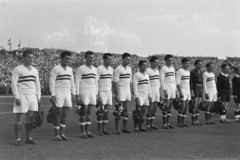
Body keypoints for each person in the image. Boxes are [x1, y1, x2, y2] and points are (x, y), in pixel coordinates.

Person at [11, 50, 41, 146]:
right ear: (23, 58)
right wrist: (17, 97)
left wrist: (38, 96)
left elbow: (37, 84)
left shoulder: (35, 70)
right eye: (28, 57)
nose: (31, 59)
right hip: (22, 95)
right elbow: (14, 84)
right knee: (19, 118)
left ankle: (29, 138)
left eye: (32, 57)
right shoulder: (18, 69)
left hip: (32, 96)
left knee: (30, 119)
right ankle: (18, 139)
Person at [50, 51, 76, 141]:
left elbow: (72, 82)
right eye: (66, 58)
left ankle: (62, 134)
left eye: (69, 59)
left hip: (67, 93)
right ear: (61, 59)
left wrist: (73, 93)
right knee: (57, 114)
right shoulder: (56, 68)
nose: (67, 60)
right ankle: (57, 135)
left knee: (65, 114)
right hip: (59, 92)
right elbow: (52, 82)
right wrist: (53, 95)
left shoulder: (70, 69)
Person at [76, 51, 98, 138]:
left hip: (92, 92)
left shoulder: (95, 69)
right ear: (85, 58)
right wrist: (77, 94)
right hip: (84, 91)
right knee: (83, 112)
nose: (91, 59)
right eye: (89, 57)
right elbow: (77, 82)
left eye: (92, 57)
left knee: (89, 112)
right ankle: (83, 132)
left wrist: (96, 93)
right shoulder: (81, 68)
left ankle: (88, 132)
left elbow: (96, 82)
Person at [114, 52, 133, 134]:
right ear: (122, 59)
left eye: (129, 59)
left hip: (127, 90)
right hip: (121, 89)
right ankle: (117, 129)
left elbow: (130, 81)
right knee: (119, 109)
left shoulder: (129, 69)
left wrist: (132, 91)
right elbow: (115, 82)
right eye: (126, 59)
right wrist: (117, 94)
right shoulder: (118, 69)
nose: (128, 61)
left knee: (126, 110)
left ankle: (124, 128)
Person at [96, 53, 113, 135]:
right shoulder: (99, 68)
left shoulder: (111, 69)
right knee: (101, 111)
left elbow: (111, 81)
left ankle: (104, 129)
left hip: (109, 92)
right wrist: (97, 93)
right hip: (101, 91)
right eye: (108, 59)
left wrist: (112, 92)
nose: (109, 60)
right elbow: (96, 81)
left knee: (107, 111)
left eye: (110, 59)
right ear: (104, 59)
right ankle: (99, 130)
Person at [133, 60, 152, 132]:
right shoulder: (136, 74)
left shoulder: (147, 75)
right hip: (140, 95)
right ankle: (136, 127)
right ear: (139, 66)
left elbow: (149, 86)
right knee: (138, 112)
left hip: (146, 95)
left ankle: (140, 126)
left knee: (143, 112)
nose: (145, 66)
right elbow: (134, 86)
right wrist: (136, 97)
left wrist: (150, 95)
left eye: (146, 65)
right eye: (144, 65)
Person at [160, 54, 176, 129]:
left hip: (172, 88)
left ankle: (168, 123)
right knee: (165, 107)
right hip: (166, 87)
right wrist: (164, 90)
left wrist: (175, 90)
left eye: (171, 60)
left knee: (170, 106)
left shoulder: (173, 68)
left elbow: (174, 80)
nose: (170, 62)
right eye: (169, 60)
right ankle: (164, 124)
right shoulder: (163, 69)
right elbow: (162, 80)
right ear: (165, 60)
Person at [146, 56, 161, 130]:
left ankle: (152, 124)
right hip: (151, 89)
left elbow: (158, 82)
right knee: (150, 108)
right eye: (155, 62)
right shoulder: (147, 71)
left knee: (154, 108)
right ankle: (148, 125)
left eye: (157, 62)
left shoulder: (157, 71)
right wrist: (149, 93)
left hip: (156, 90)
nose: (157, 63)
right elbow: (147, 83)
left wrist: (159, 92)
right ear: (151, 62)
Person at [176, 58, 191, 127]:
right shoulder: (180, 71)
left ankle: (183, 122)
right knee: (182, 107)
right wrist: (180, 92)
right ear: (182, 64)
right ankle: (179, 123)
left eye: (188, 63)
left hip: (187, 91)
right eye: (186, 63)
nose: (187, 64)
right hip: (182, 90)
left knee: (186, 107)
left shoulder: (188, 72)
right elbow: (177, 83)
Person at [190, 60, 203, 126]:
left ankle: (197, 120)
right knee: (194, 105)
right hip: (195, 88)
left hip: (200, 89)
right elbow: (191, 82)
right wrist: (191, 91)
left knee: (198, 105)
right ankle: (193, 121)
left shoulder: (201, 72)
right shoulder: (192, 72)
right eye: (199, 64)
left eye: (201, 64)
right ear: (195, 65)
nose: (200, 65)